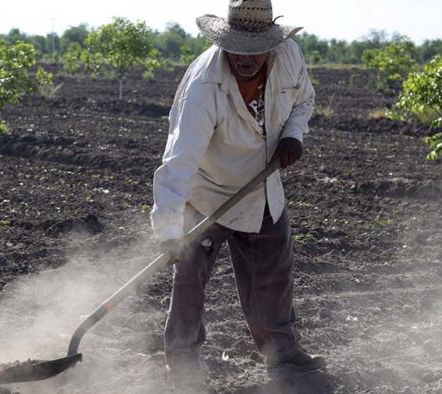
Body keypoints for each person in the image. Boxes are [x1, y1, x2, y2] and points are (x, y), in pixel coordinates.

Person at [151, 0, 321, 388]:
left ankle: (282, 350)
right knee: (190, 274)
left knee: (275, 270)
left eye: (254, 49)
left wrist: (293, 134)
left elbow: (303, 100)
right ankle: (182, 362)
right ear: (224, 42)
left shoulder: (289, 55)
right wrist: (169, 230)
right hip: (207, 191)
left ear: (271, 43)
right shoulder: (203, 87)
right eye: (237, 49)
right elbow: (179, 161)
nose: (245, 58)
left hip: (261, 185)